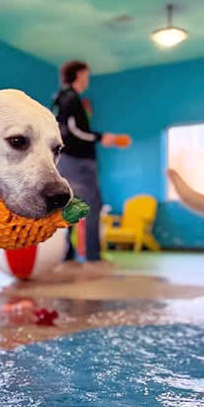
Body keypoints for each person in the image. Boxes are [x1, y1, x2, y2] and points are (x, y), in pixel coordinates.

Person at [52, 60, 130, 268]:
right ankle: (93, 257)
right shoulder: (70, 98)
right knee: (92, 205)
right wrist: (101, 137)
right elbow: (71, 130)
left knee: (69, 205)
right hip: (78, 162)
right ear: (78, 75)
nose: (87, 78)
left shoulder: (63, 98)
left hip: (68, 161)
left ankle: (67, 255)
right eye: (85, 74)